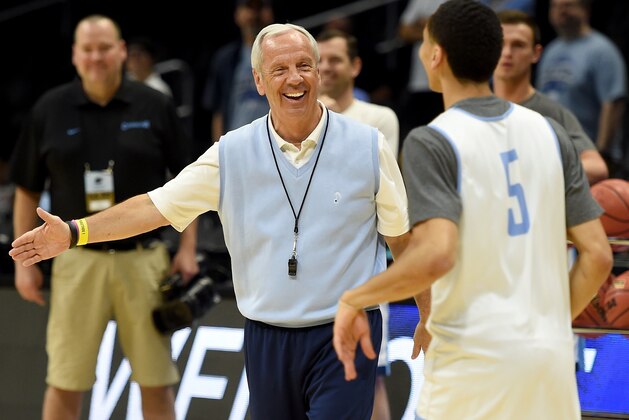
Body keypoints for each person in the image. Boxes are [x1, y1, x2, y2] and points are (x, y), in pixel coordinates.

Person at [10, 22, 410, 420]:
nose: (294, 78)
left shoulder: (366, 144)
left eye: (304, 66)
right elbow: (154, 206)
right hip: (266, 335)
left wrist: (429, 313)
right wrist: (76, 232)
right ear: (258, 81)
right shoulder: (231, 152)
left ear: (318, 72)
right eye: (279, 69)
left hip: (345, 327)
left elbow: (403, 240)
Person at [332, 1, 613, 419]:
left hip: (473, 363)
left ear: (436, 55)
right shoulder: (551, 132)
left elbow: (435, 254)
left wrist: (355, 299)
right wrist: (547, 327)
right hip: (548, 364)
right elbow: (598, 255)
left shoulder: (433, 140)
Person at [9, 15, 199, 420]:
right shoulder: (50, 108)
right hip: (76, 261)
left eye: (104, 48)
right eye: (88, 49)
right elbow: (25, 187)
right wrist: (25, 261)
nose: (96, 57)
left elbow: (190, 182)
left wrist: (188, 249)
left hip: (144, 260)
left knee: (156, 379)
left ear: (121, 51)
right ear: (75, 55)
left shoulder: (155, 104)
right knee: (65, 378)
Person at [317, 28, 401, 420]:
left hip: (360, 266)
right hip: (304, 269)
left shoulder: (379, 118)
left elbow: (368, 190)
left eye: (335, 59)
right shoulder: (294, 118)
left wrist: (327, 125)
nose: (325, 67)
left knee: (370, 378)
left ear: (355, 65)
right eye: (319, 59)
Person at [492, 9, 608, 184]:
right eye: (500, 44)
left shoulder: (550, 112)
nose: (507, 52)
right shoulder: (474, 109)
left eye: (518, 45)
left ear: (536, 53)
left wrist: (536, 168)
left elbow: (596, 167)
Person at [536, 0, 627, 166]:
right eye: (555, 6)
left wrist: (601, 152)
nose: (560, 11)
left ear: (585, 10)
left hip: (589, 154)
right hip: (554, 154)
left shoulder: (602, 50)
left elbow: (613, 104)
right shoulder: (550, 51)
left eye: (567, 5)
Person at [201, 0, 274, 142]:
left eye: (260, 7)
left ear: (270, 13)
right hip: (237, 143)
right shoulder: (225, 59)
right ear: (237, 15)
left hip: (276, 143)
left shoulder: (284, 54)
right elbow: (218, 111)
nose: (255, 14)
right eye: (249, 7)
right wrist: (219, 149)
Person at [397, 0, 446, 142]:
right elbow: (403, 30)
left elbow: (458, 32)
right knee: (418, 136)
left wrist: (424, 25)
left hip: (447, 81)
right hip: (419, 81)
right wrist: (436, 29)